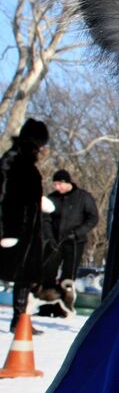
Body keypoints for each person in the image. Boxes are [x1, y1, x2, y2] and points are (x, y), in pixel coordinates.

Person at [0, 119, 50, 333]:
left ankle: (19, 321)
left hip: (28, 232)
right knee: (10, 271)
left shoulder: (26, 164)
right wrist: (5, 232)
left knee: (24, 277)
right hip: (13, 231)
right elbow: (2, 197)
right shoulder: (12, 161)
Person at [42, 168, 99, 293]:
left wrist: (77, 233)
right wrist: (49, 238)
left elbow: (93, 218)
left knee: (68, 275)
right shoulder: (52, 198)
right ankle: (47, 303)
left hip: (74, 242)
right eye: (55, 184)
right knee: (48, 272)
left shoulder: (83, 197)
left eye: (59, 184)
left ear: (67, 182)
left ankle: (63, 305)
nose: (57, 187)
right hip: (55, 241)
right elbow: (45, 220)